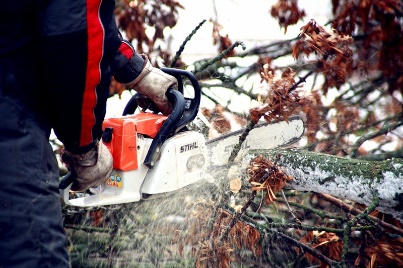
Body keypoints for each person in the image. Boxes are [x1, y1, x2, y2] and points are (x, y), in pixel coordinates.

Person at [0, 1, 177, 267]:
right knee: (34, 253)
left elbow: (70, 18)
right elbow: (74, 38)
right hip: (11, 128)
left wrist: (133, 69)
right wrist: (83, 147)